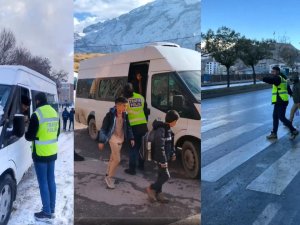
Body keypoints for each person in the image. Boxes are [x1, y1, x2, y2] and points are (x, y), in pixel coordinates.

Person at [25, 92, 60, 222]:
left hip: (40, 153)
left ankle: (46, 212)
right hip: (52, 152)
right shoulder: (54, 113)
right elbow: (57, 132)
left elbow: (29, 136)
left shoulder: (36, 114)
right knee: (51, 181)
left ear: (38, 101)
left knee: (43, 183)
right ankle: (51, 209)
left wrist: (27, 128)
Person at [98, 97, 135, 189]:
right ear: (118, 105)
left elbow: (129, 127)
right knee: (117, 159)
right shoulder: (110, 115)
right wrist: (101, 141)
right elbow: (103, 128)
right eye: (124, 106)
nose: (126, 108)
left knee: (112, 158)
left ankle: (107, 174)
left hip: (120, 138)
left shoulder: (125, 115)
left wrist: (131, 138)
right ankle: (109, 178)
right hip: (112, 138)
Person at [146, 110, 179, 203]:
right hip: (159, 158)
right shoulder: (161, 130)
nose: (176, 123)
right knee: (166, 176)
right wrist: (163, 161)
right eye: (176, 121)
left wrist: (173, 153)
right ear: (173, 121)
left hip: (164, 158)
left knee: (161, 175)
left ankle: (159, 194)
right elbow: (160, 146)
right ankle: (151, 188)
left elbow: (171, 144)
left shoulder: (169, 129)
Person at [262, 66, 299, 139]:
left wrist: (263, 78)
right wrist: (292, 94)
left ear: (278, 72)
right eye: (272, 71)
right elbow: (288, 90)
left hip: (281, 101)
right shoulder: (283, 79)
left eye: (273, 71)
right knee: (275, 117)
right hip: (279, 101)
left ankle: (293, 130)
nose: (272, 73)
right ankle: (274, 133)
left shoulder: (278, 78)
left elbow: (271, 80)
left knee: (281, 117)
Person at [123, 83, 148, 175]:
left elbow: (123, 115)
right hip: (143, 126)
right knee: (141, 147)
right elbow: (145, 111)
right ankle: (141, 166)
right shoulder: (140, 97)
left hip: (133, 128)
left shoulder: (125, 101)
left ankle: (132, 169)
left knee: (133, 148)